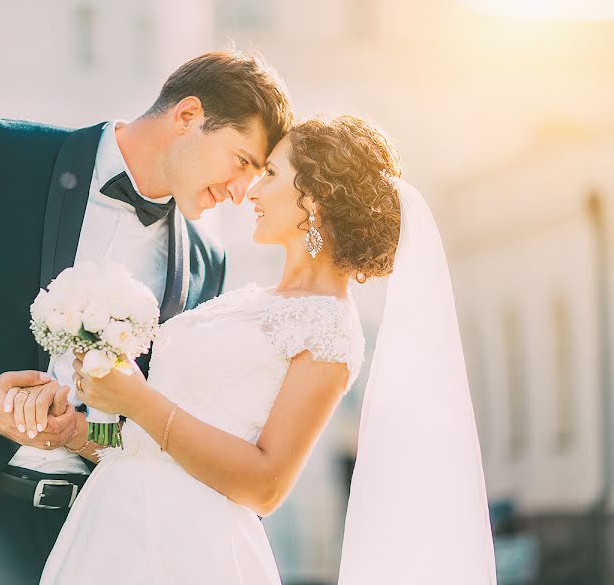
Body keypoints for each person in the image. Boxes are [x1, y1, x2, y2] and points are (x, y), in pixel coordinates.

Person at [0, 50, 293, 585]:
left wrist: (85, 433)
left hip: (85, 543)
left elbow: (147, 423)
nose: (240, 191)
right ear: (187, 117)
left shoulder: (205, 261)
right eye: (243, 161)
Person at [42, 115, 496, 584]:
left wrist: (136, 400)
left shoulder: (329, 327)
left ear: (316, 198)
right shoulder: (248, 300)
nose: (252, 192)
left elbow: (265, 486)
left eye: (272, 174)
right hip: (109, 528)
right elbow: (151, 445)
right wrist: (79, 430)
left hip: (189, 548)